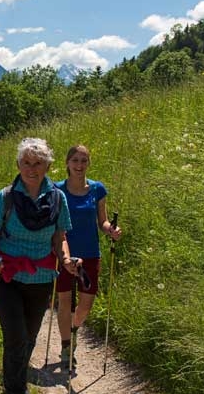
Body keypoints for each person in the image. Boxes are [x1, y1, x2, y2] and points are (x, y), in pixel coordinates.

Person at [0, 137, 76, 394]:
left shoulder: (58, 199)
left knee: (29, 338)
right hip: (6, 278)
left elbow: (60, 238)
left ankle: (14, 380)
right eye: (26, 163)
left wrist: (66, 259)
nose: (31, 169)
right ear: (18, 164)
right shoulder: (4, 198)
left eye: (38, 163)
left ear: (47, 166)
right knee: (16, 338)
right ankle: (15, 389)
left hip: (42, 279)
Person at [54, 145, 122, 365]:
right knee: (64, 301)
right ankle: (66, 347)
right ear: (67, 163)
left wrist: (110, 229)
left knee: (85, 305)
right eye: (75, 160)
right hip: (65, 255)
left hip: (91, 254)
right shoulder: (57, 190)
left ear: (89, 163)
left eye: (84, 161)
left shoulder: (97, 189)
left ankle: (73, 329)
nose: (79, 165)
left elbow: (101, 220)